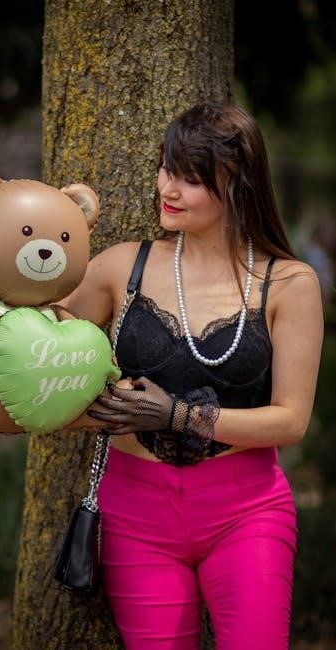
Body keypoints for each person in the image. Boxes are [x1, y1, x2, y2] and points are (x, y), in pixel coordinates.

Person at [57, 102, 324, 649]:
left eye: (189, 179)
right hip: (134, 513)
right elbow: (36, 344)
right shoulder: (121, 266)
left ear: (237, 185)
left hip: (247, 513)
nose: (167, 188)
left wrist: (177, 415)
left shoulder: (289, 283)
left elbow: (291, 421)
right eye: (165, 168)